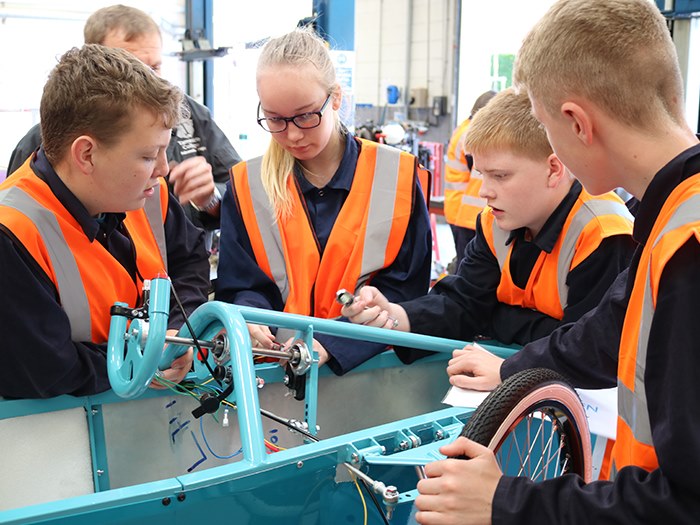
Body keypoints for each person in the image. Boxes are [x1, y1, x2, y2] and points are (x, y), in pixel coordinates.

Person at [412, 0, 700, 523]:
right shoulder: (676, 215)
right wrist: (511, 367)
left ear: (575, 123)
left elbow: (685, 503)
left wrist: (504, 501)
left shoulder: (688, 251)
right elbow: (605, 333)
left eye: (544, 127)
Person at [341, 88, 634, 356]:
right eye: (481, 174)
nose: (483, 191)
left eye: (500, 176)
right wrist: (393, 315)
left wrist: (496, 321)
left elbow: (583, 349)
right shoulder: (493, 223)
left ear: (553, 169)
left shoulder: (603, 234)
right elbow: (462, 304)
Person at [215, 27, 432, 375]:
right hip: (273, 373)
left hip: (371, 372)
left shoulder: (399, 177)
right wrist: (250, 320)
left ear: (335, 98)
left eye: (305, 115)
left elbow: (405, 293)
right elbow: (243, 284)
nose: (293, 134)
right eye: (275, 119)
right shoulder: (246, 185)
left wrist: (334, 344)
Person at [0, 44, 210, 399]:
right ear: (86, 154)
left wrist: (177, 328)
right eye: (147, 155)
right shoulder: (13, 233)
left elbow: (189, 258)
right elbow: (46, 370)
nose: (163, 169)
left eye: (164, 150)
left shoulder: (146, 193)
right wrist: (146, 359)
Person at [6, 4, 240, 232]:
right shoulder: (46, 139)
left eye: (155, 67)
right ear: (95, 63)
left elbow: (247, 197)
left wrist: (212, 199)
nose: (162, 171)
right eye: (133, 66)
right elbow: (23, 221)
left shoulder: (191, 116)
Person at [443, 90, 496, 266]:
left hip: (461, 209)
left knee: (465, 265)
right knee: (468, 268)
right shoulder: (471, 134)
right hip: (467, 213)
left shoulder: (464, 128)